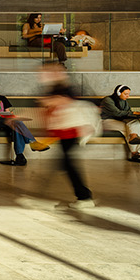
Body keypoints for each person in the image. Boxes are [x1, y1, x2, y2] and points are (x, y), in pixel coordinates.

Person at [42, 81, 97, 209]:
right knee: (64, 164)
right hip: (67, 137)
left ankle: (85, 197)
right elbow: (54, 126)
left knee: (67, 164)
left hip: (72, 137)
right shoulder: (61, 107)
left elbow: (74, 124)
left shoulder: (72, 108)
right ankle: (84, 195)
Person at [0, 79, 47, 167]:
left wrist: (10, 114)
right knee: (15, 124)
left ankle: (20, 157)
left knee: (15, 126)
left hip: (4, 121)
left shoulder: (2, 98)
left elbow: (7, 112)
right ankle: (32, 142)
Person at [100, 84, 140, 164]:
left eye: (128, 94)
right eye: (125, 94)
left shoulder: (124, 101)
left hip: (118, 121)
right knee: (129, 128)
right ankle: (136, 152)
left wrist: (138, 114)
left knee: (135, 122)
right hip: (106, 121)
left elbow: (128, 112)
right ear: (118, 93)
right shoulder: (107, 100)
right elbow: (117, 113)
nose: (128, 96)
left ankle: (134, 140)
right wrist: (134, 113)